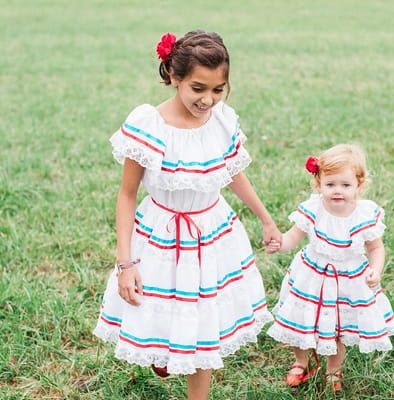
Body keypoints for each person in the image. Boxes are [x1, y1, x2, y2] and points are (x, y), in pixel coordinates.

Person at [93, 30, 281, 400]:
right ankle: (164, 351)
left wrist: (265, 218)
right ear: (174, 77)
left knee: (203, 321)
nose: (207, 99)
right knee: (161, 307)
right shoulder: (149, 125)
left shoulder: (221, 121)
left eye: (218, 89)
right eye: (198, 88)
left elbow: (233, 174)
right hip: (160, 235)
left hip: (211, 233)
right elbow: (127, 194)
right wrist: (125, 262)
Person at [265, 144, 394, 391]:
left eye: (345, 185)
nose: (337, 191)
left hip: (349, 278)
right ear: (319, 184)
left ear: (359, 185)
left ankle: (333, 369)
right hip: (313, 275)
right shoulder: (313, 209)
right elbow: (292, 238)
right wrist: (279, 243)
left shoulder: (364, 214)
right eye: (330, 185)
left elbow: (376, 248)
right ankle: (300, 361)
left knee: (339, 327)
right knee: (302, 319)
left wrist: (376, 269)